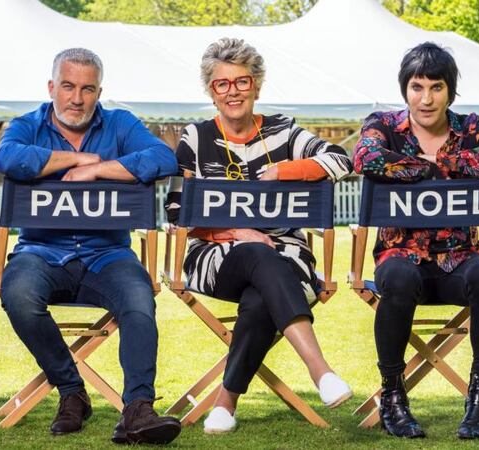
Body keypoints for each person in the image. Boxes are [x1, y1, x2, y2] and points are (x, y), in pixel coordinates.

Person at [164, 38, 354, 434]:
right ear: (211, 92)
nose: (233, 91)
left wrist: (285, 171)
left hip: (287, 256)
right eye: (222, 84)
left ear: (257, 85)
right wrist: (236, 231)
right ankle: (320, 371)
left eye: (242, 81)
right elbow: (176, 211)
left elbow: (341, 159)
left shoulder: (283, 132)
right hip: (215, 254)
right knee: (258, 254)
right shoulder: (195, 139)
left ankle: (225, 403)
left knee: (259, 296)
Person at [0, 48, 181, 445]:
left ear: (99, 92)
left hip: (107, 254)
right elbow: (8, 158)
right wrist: (72, 158)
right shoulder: (26, 125)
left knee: (138, 300)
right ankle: (71, 391)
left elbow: (163, 158)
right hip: (41, 252)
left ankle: (137, 410)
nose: (77, 99)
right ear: (52, 88)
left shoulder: (121, 124)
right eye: (68, 87)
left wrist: (96, 168)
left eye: (87, 89)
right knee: (19, 295)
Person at [354, 42, 479, 440]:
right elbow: (365, 159)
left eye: (436, 87)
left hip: (459, 257)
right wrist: (424, 166)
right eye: (417, 87)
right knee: (398, 280)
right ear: (405, 90)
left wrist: (445, 163)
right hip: (401, 257)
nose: (427, 98)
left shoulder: (473, 129)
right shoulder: (383, 125)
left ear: (450, 91)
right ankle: (393, 396)